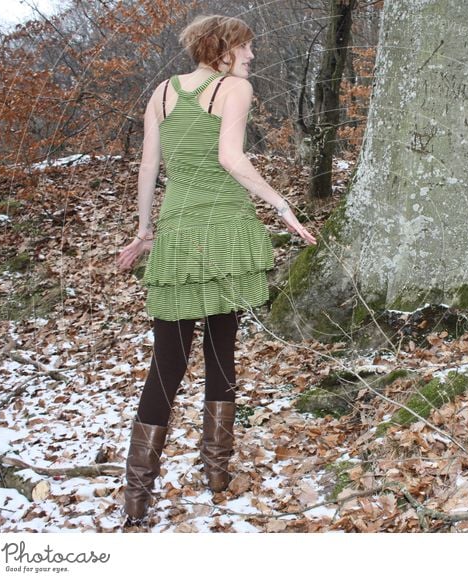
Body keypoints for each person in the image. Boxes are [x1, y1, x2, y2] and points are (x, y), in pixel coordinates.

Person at [116, 14, 316, 525]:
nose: (252, 57)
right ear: (223, 49)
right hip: (225, 232)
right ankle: (217, 472)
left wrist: (144, 232)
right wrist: (282, 205)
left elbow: (148, 167)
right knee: (221, 347)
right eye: (246, 48)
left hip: (180, 235)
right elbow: (231, 158)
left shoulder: (161, 93)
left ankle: (137, 496)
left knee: (168, 361)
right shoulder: (232, 90)